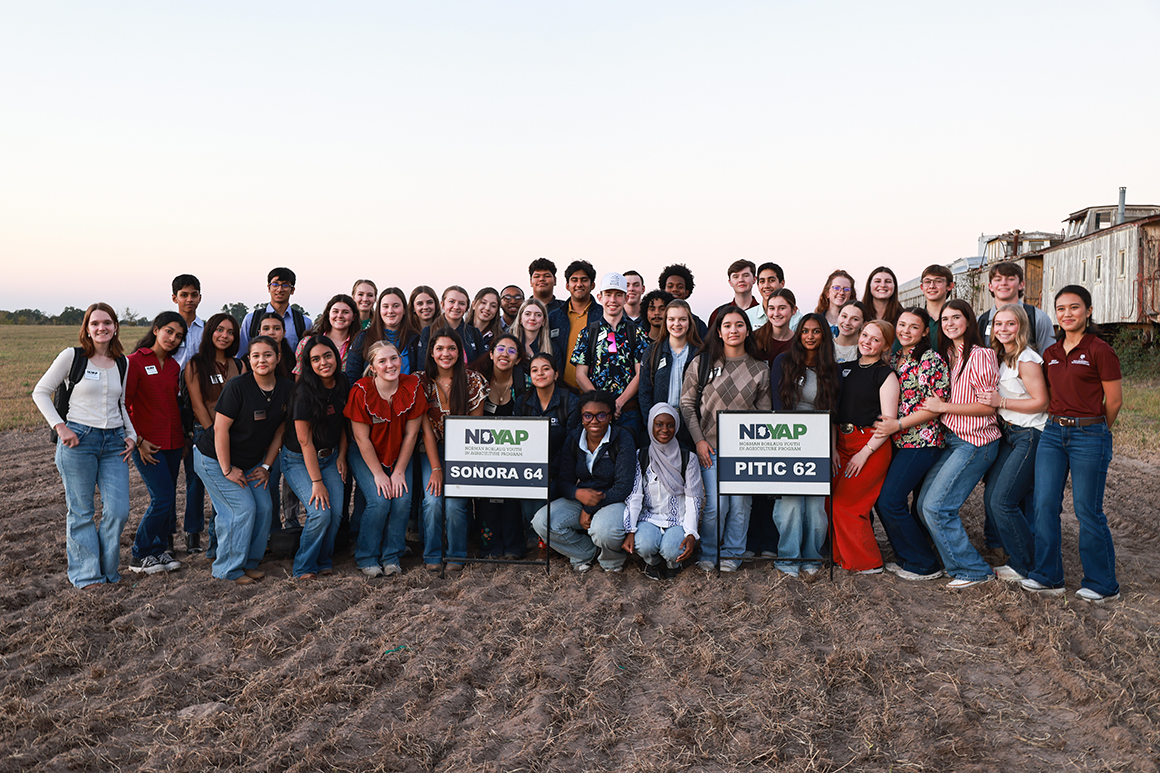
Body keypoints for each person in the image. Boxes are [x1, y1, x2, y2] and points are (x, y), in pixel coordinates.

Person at [1021, 286, 1122, 603]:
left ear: (1089, 311)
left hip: (1089, 435)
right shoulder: (1050, 354)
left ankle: (1103, 583)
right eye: (1061, 308)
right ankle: (1048, 576)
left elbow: (1115, 401)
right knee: (1044, 505)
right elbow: (1051, 396)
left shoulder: (1100, 350)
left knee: (1086, 509)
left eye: (1074, 307)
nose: (1067, 314)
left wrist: (1095, 430)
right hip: (1052, 434)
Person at [33, 303, 136, 589]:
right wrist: (60, 426)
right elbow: (40, 392)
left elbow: (121, 403)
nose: (101, 328)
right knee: (81, 511)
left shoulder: (121, 363)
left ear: (115, 327)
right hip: (78, 440)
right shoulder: (72, 357)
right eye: (95, 323)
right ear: (87, 329)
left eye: (107, 322)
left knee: (118, 510)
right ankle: (87, 576)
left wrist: (131, 435)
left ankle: (108, 571)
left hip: (114, 441)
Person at [914, 299, 1001, 588]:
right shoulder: (947, 354)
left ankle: (973, 569)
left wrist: (943, 407)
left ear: (969, 321)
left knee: (938, 507)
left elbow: (988, 407)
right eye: (945, 319)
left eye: (956, 317)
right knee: (925, 504)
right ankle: (954, 563)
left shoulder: (981, 355)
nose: (950, 323)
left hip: (975, 441)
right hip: (952, 440)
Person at [193, 336, 293, 585]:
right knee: (241, 509)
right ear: (249, 359)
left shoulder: (287, 389)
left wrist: (267, 466)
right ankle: (227, 569)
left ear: (278, 358)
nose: (262, 360)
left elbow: (281, 430)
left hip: (250, 461)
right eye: (256, 355)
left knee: (265, 508)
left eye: (268, 355)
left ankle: (248, 562)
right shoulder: (237, 386)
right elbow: (220, 429)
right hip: (214, 459)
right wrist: (227, 469)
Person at [680, 306, 771, 572]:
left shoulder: (760, 369)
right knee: (715, 506)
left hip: (744, 449)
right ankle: (709, 552)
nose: (734, 330)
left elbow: (765, 414)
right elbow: (686, 405)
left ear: (747, 329)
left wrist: (755, 449)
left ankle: (733, 553)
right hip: (710, 446)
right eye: (728, 325)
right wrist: (698, 440)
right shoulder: (703, 362)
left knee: (741, 505)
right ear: (718, 332)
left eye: (739, 325)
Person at [871, 308, 950, 581]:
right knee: (892, 503)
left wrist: (899, 425)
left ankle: (924, 563)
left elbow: (936, 407)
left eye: (914, 327)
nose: (905, 330)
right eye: (902, 325)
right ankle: (907, 557)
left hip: (922, 441)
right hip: (898, 442)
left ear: (925, 332)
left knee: (890, 501)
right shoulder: (894, 357)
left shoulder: (930, 359)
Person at [976, 304, 1048, 583]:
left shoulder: (1026, 358)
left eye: (1010, 324)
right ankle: (1018, 557)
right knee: (992, 498)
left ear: (1021, 327)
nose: (1003, 329)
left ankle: (1025, 565)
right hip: (1009, 434)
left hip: (1030, 434)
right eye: (998, 324)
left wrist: (1001, 402)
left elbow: (1042, 401)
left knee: (1003, 501)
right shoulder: (1000, 356)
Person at [346, 341, 427, 578]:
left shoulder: (412, 386)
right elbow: (361, 440)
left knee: (401, 499)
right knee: (379, 500)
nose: (389, 365)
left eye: (393, 359)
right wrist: (380, 474)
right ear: (373, 367)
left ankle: (391, 556)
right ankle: (367, 556)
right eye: (382, 361)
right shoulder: (361, 391)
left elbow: (412, 434)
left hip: (399, 452)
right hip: (367, 453)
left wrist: (399, 470)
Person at [532, 390, 636, 572]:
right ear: (581, 417)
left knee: (602, 530)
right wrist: (576, 493)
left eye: (601, 415)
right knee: (542, 521)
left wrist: (589, 508)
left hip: (613, 500)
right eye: (588, 415)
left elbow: (624, 486)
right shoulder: (574, 438)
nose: (594, 421)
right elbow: (564, 479)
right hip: (583, 496)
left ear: (611, 416)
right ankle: (585, 552)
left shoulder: (622, 438)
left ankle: (611, 560)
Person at [768, 314, 840, 577]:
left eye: (816, 331)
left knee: (815, 508)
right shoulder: (783, 362)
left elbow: (833, 415)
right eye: (805, 331)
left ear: (824, 336)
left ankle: (811, 557)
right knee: (790, 504)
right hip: (787, 439)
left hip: (819, 442)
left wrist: (831, 449)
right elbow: (777, 408)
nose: (810, 336)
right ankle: (788, 559)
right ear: (798, 335)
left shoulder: (832, 368)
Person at [831, 320, 899, 574]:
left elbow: (888, 422)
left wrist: (864, 453)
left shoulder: (886, 375)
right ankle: (840, 557)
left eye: (875, 339)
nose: (867, 342)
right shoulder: (844, 369)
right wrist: (833, 447)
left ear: (885, 346)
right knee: (828, 503)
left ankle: (868, 563)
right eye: (865, 335)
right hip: (841, 443)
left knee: (846, 505)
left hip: (870, 446)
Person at [417, 328, 488, 571]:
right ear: (432, 353)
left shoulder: (473, 380)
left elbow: (474, 428)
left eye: (451, 348)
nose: (445, 353)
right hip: (431, 447)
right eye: (440, 349)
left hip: (463, 449)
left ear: (460, 352)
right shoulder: (421, 382)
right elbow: (425, 429)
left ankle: (457, 554)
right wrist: (436, 467)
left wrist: (460, 462)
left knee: (456, 503)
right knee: (433, 500)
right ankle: (432, 554)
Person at [280, 336, 350, 579]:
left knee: (337, 511)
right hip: (299, 459)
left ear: (336, 356)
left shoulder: (342, 383)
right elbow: (304, 441)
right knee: (320, 512)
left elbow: (343, 424)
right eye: (316, 359)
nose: (323, 362)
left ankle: (323, 558)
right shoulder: (304, 393)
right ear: (308, 364)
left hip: (330, 457)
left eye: (327, 356)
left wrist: (341, 455)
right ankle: (304, 565)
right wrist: (317, 482)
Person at [125, 312, 188, 575]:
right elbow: (124, 405)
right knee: (161, 498)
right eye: (169, 332)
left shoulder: (174, 366)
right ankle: (139, 554)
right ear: (156, 329)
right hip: (148, 444)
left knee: (169, 498)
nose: (173, 338)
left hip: (173, 443)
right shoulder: (135, 362)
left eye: (179, 336)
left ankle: (160, 549)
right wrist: (138, 440)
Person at [184, 313, 245, 557]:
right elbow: (198, 405)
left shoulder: (240, 365)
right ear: (210, 332)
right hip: (206, 434)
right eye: (219, 330)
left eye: (230, 332)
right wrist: (214, 436)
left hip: (235, 437)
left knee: (224, 496)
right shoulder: (195, 364)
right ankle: (212, 547)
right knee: (211, 490)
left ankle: (220, 547)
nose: (225, 336)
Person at [622, 404, 704, 580]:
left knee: (673, 549)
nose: (664, 430)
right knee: (643, 545)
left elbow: (693, 499)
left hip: (677, 520)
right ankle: (651, 563)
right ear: (651, 425)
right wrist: (630, 529)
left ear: (677, 427)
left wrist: (691, 533)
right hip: (649, 517)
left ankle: (673, 564)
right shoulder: (641, 456)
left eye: (670, 425)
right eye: (659, 424)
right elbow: (635, 495)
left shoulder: (688, 458)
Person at [571, 272, 650, 440]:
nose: (612, 300)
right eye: (608, 294)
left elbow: (640, 373)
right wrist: (601, 404)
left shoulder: (637, 333)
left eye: (618, 295)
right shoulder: (588, 332)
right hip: (595, 415)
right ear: (600, 297)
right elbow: (580, 375)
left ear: (626, 298)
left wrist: (619, 403)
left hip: (628, 413)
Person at [474, 333, 529, 558]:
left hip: (515, 451)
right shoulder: (477, 381)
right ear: (491, 354)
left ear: (517, 359)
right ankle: (489, 546)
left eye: (512, 350)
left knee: (511, 501)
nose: (505, 353)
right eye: (500, 348)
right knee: (485, 501)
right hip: (482, 452)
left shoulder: (524, 382)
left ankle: (514, 545)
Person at [516, 353, 579, 543]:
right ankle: (534, 538)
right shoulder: (522, 403)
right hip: (530, 468)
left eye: (546, 369)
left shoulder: (571, 401)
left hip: (562, 468)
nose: (540, 374)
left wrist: (550, 470)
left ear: (556, 374)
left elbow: (571, 443)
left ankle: (550, 539)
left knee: (550, 493)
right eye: (534, 370)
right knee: (527, 500)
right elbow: (518, 442)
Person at [638, 299, 703, 450]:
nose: (677, 324)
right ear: (665, 321)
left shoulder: (700, 353)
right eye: (671, 319)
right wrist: (652, 423)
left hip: (691, 425)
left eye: (682, 319)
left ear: (690, 321)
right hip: (661, 425)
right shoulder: (653, 352)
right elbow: (644, 392)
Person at [977, 261, 1055, 354]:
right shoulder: (980, 322)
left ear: (1021, 284)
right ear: (990, 286)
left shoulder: (1038, 318)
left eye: (1010, 279)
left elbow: (1049, 358)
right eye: (998, 279)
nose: (1003, 283)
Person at [547, 260, 602, 392]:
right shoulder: (554, 317)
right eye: (574, 280)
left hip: (595, 391)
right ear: (567, 285)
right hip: (562, 391)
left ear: (592, 285)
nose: (579, 284)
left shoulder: (603, 315)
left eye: (584, 280)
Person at [347, 287, 420, 383]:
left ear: (404, 310)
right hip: (371, 396)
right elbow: (351, 376)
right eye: (385, 306)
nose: (390, 311)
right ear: (379, 310)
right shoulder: (363, 337)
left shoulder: (415, 339)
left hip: (408, 396)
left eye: (396, 306)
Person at [239, 267, 311, 353]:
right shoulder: (251, 320)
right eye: (275, 284)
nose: (279, 289)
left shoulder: (304, 323)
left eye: (285, 285)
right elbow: (242, 353)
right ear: (269, 288)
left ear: (292, 290)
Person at [415, 286, 485, 365]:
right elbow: (422, 366)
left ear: (467, 308)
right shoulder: (429, 331)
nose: (456, 307)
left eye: (461, 303)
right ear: (442, 304)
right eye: (451, 301)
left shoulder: (474, 333)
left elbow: (481, 366)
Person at [291, 294, 356, 377]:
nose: (339, 316)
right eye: (335, 311)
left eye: (345, 312)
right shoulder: (307, 342)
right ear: (328, 314)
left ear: (354, 316)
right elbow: (299, 376)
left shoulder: (358, 344)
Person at [511, 297, 561, 379]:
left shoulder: (553, 349)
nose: (532, 318)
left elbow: (558, 379)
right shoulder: (509, 344)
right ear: (520, 319)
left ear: (543, 321)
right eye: (527, 314)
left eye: (538, 315)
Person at [657, 263, 708, 339]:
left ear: (686, 292)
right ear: (663, 290)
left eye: (680, 287)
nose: (674, 289)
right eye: (670, 286)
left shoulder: (698, 325)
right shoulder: (654, 319)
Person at [707, 260, 761, 330]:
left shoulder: (764, 313)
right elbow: (712, 340)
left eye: (746, 275)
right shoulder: (718, 313)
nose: (741, 280)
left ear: (754, 279)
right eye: (736, 276)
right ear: (730, 282)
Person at [753, 262, 803, 331]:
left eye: (771, 280)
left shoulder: (798, 319)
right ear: (758, 286)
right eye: (762, 281)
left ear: (782, 283)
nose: (766, 286)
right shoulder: (748, 316)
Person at [754, 288, 797, 366]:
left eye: (782, 308)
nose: (776, 313)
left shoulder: (799, 342)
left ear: (794, 310)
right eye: (771, 308)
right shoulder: (754, 338)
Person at [171, 274, 204, 369]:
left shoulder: (206, 330)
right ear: (174, 298)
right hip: (173, 382)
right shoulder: (167, 331)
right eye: (184, 295)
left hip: (200, 382)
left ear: (200, 298)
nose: (190, 300)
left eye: (194, 295)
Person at [918, 265, 954, 350]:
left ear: (950, 286)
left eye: (938, 281)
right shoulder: (915, 319)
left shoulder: (957, 320)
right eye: (927, 282)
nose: (932, 286)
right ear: (922, 287)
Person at [814, 269, 857, 335]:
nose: (842, 292)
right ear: (827, 293)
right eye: (836, 288)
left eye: (846, 289)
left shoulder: (856, 325)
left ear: (851, 295)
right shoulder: (815, 322)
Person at [465, 287, 503, 352]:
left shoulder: (500, 339)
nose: (487, 308)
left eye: (493, 306)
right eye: (483, 302)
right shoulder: (461, 332)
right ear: (474, 304)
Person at [258, 314, 296, 380]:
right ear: (260, 333)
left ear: (284, 332)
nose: (271, 332)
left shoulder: (293, 359)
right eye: (266, 329)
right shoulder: (250, 361)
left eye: (276, 328)